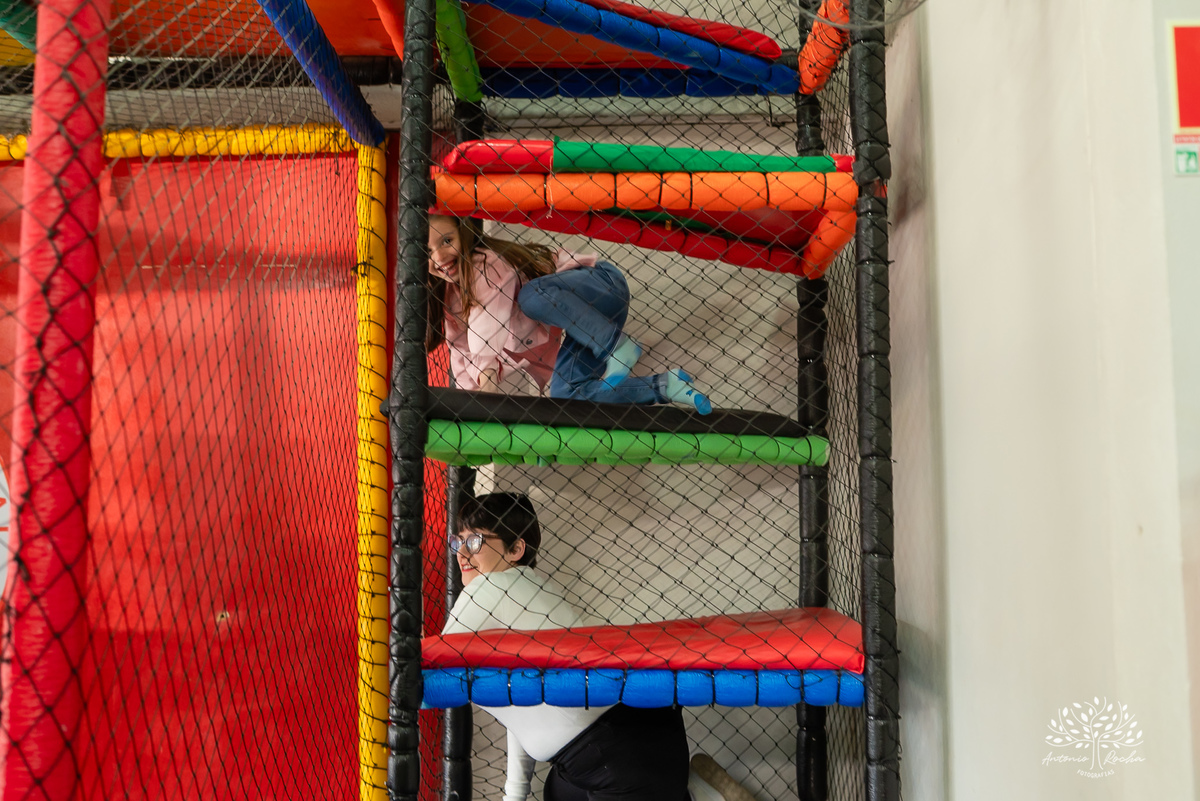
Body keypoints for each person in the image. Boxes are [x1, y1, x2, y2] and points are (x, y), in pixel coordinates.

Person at [443, 492, 691, 801]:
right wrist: (515, 794)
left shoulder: (490, 587)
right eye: (458, 541)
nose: (462, 553)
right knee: (556, 792)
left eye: (475, 541)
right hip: (624, 749)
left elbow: (433, 663)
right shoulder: (530, 592)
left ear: (515, 549)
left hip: (620, 756)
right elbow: (523, 709)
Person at [426, 215, 712, 413]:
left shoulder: (485, 262)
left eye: (447, 240)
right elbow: (461, 354)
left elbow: (485, 326)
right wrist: (468, 410)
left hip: (600, 285)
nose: (439, 257)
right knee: (566, 396)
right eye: (427, 252)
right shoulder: (449, 302)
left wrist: (487, 383)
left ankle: (617, 346)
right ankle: (666, 386)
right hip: (589, 327)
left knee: (531, 297)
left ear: (464, 233)